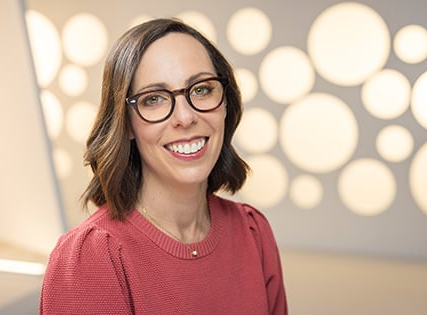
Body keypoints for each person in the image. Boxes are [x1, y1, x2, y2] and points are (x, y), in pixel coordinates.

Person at [40, 18, 287, 315]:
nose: (185, 117)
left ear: (225, 103)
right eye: (154, 99)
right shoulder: (90, 259)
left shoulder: (253, 231)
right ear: (126, 124)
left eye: (201, 89)